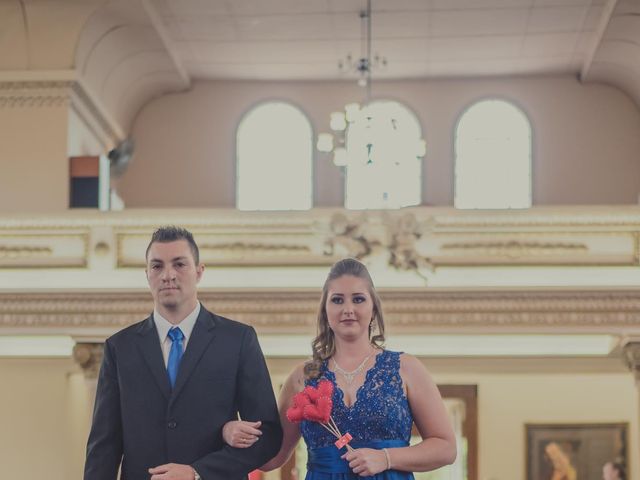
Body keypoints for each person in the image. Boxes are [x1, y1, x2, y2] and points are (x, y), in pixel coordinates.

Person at [222, 258, 457, 479]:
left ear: (373, 307)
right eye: (337, 300)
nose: (347, 309)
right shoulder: (301, 377)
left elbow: (445, 448)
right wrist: (230, 430)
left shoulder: (407, 368)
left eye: (358, 299)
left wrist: (386, 458)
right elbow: (271, 458)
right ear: (325, 310)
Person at [84, 226, 283, 480]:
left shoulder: (238, 340)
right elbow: (104, 446)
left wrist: (197, 472)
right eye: (157, 266)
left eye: (179, 264)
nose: (168, 275)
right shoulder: (119, 348)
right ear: (147, 275)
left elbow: (267, 435)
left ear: (199, 272)